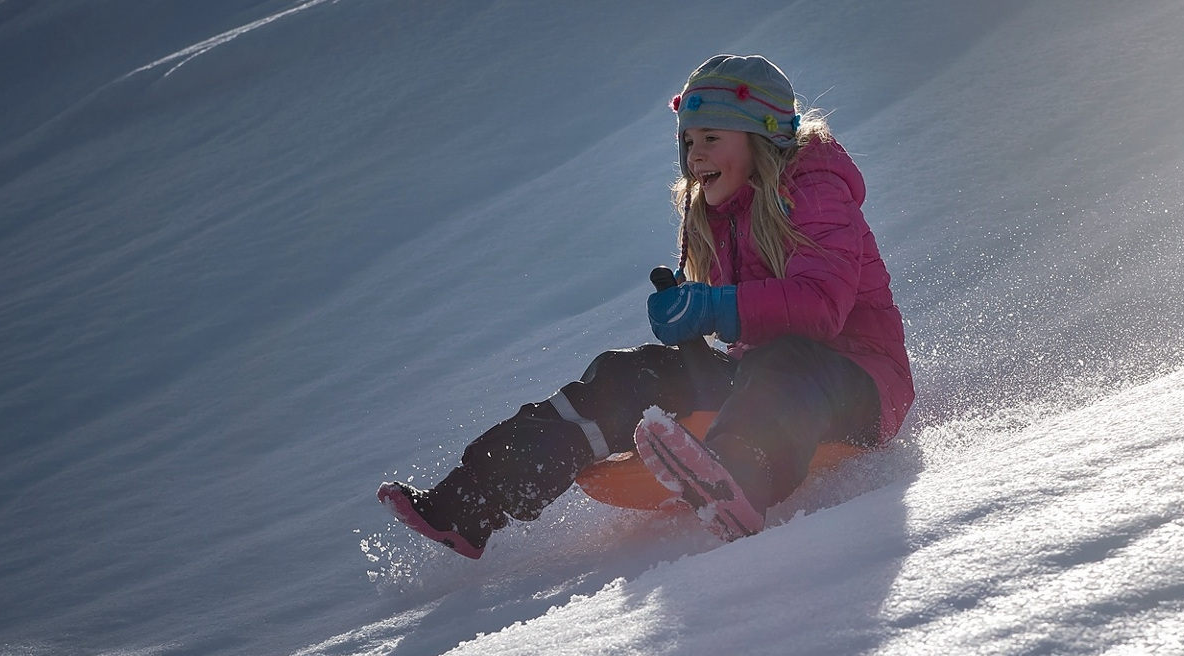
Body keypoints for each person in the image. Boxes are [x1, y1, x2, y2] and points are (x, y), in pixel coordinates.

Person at [378, 54, 913, 559]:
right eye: (687, 141)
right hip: (764, 381)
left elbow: (820, 308)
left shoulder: (815, 192)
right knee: (624, 375)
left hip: (855, 382)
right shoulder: (718, 211)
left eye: (711, 137)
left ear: (762, 138)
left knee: (786, 361)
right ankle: (468, 504)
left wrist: (716, 306)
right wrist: (688, 316)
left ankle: (742, 479)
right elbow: (739, 321)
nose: (695, 154)